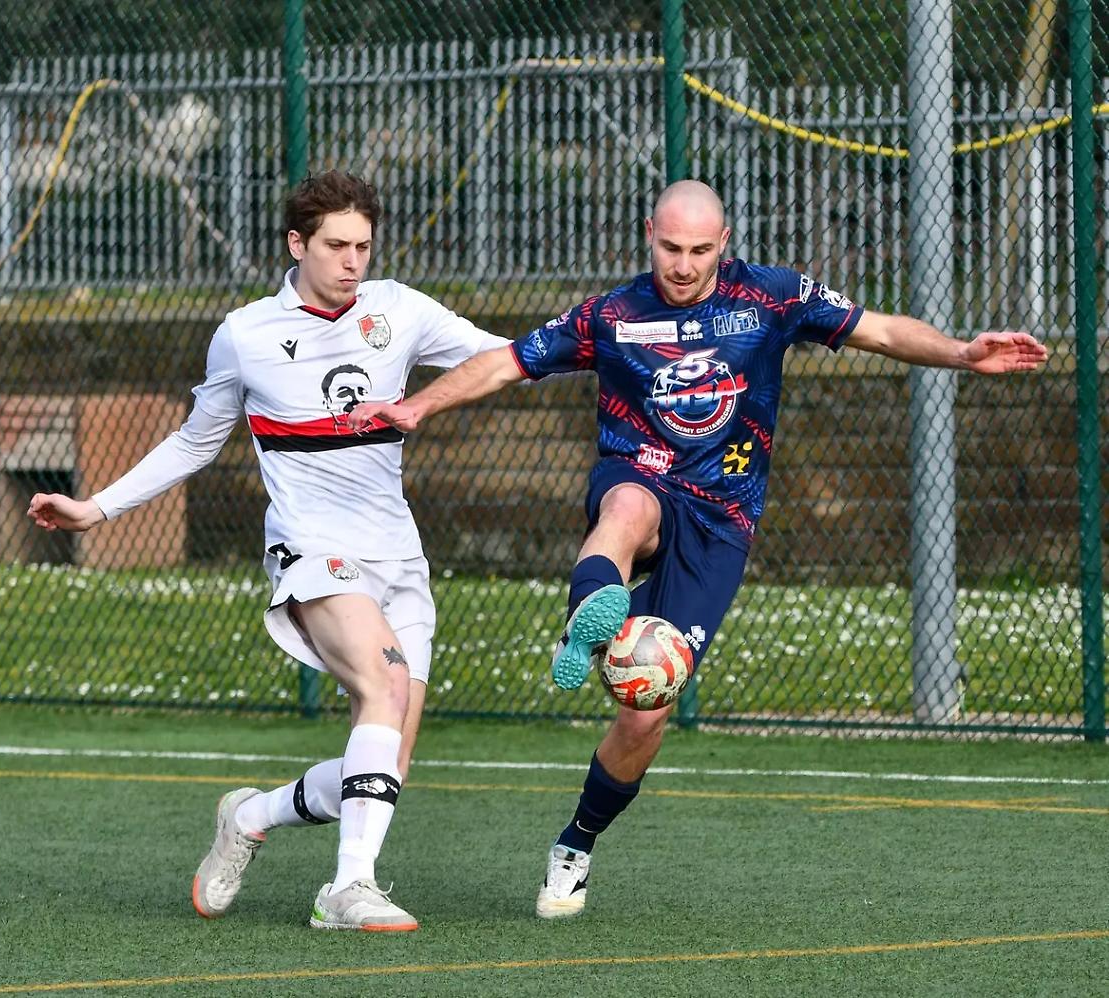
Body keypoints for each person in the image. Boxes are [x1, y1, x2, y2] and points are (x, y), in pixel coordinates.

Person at [344, 179, 1049, 919]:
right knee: (625, 504)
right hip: (641, 478)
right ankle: (587, 618)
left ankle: (577, 842)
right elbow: (507, 361)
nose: (682, 265)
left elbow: (881, 331)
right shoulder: (612, 316)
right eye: (670, 248)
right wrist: (418, 404)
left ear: (725, 241)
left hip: (720, 522)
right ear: (650, 232)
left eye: (699, 251)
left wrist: (965, 353)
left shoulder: (774, 298)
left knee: (645, 713)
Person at [26, 170, 508, 931]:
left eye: (364, 247)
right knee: (383, 690)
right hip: (312, 551)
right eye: (337, 246)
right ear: (297, 244)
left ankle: (252, 815)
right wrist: (96, 507)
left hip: (398, 555)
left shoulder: (399, 311)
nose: (353, 262)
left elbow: (505, 357)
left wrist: (613, 350)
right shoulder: (246, 333)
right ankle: (348, 890)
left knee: (381, 766)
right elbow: (195, 442)